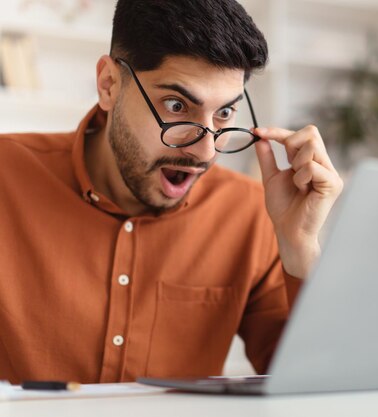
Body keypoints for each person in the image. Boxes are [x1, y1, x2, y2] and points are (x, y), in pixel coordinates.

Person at [0, 0, 342, 384]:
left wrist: (300, 247)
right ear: (109, 85)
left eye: (224, 114)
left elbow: (317, 384)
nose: (206, 150)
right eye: (177, 105)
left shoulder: (253, 212)